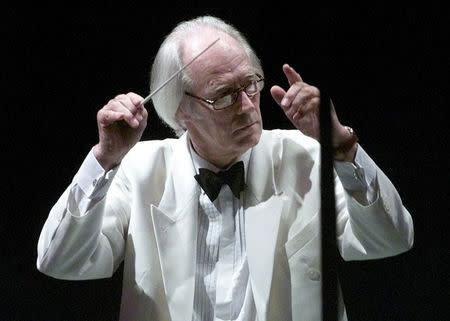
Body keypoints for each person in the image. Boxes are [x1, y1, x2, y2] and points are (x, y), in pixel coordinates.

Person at [37, 15, 414, 321]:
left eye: (251, 85)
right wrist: (104, 159)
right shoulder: (137, 169)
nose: (249, 106)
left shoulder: (307, 156)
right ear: (180, 111)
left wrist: (343, 147)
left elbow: (391, 239)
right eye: (224, 96)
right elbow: (62, 262)